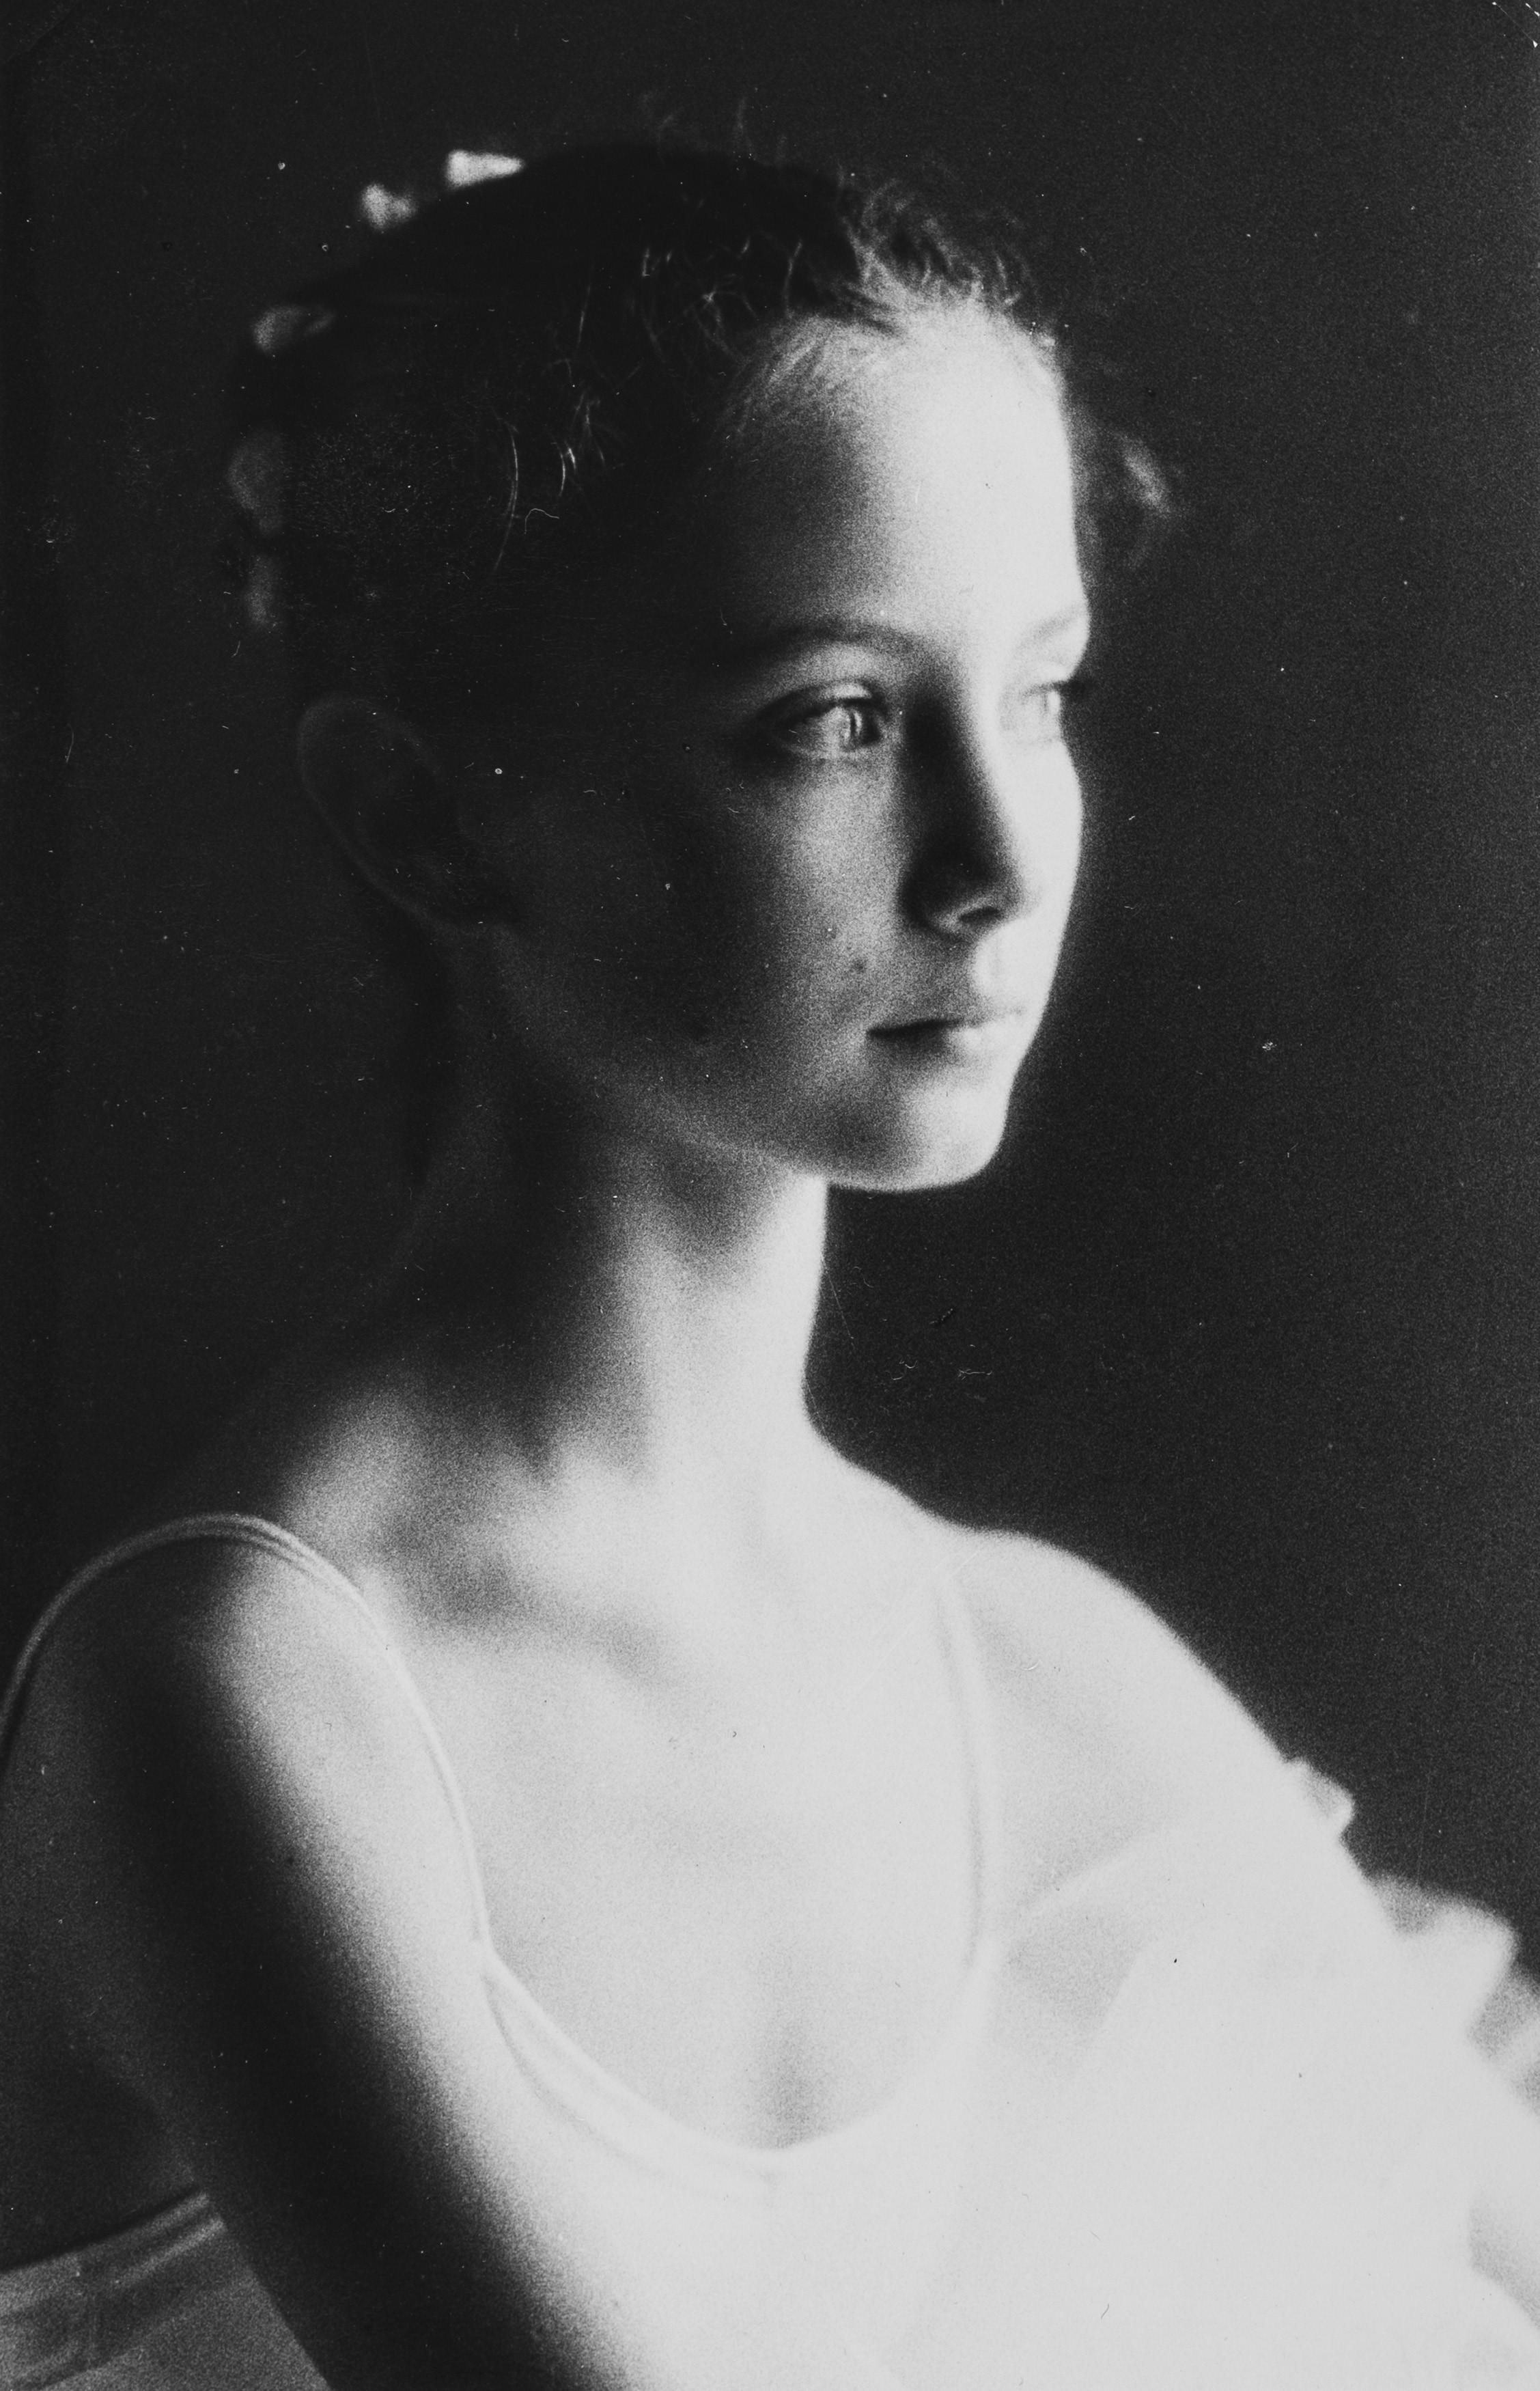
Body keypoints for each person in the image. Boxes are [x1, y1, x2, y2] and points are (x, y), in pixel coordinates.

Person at [0, 139, 1537, 2391]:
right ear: (421, 810)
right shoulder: (231, 1701)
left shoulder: (1038, 1673)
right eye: (834, 717)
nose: (996, 860)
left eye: (1042, 693)